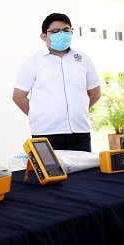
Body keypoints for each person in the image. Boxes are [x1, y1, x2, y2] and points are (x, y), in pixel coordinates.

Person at [13, 13, 101, 152]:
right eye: (55, 31)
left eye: (66, 30)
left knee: (84, 173)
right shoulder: (32, 63)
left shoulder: (84, 60)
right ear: (44, 36)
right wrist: (39, 115)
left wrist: (77, 111)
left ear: (72, 32)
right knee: (51, 173)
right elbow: (18, 97)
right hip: (46, 133)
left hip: (80, 132)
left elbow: (95, 93)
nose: (62, 34)